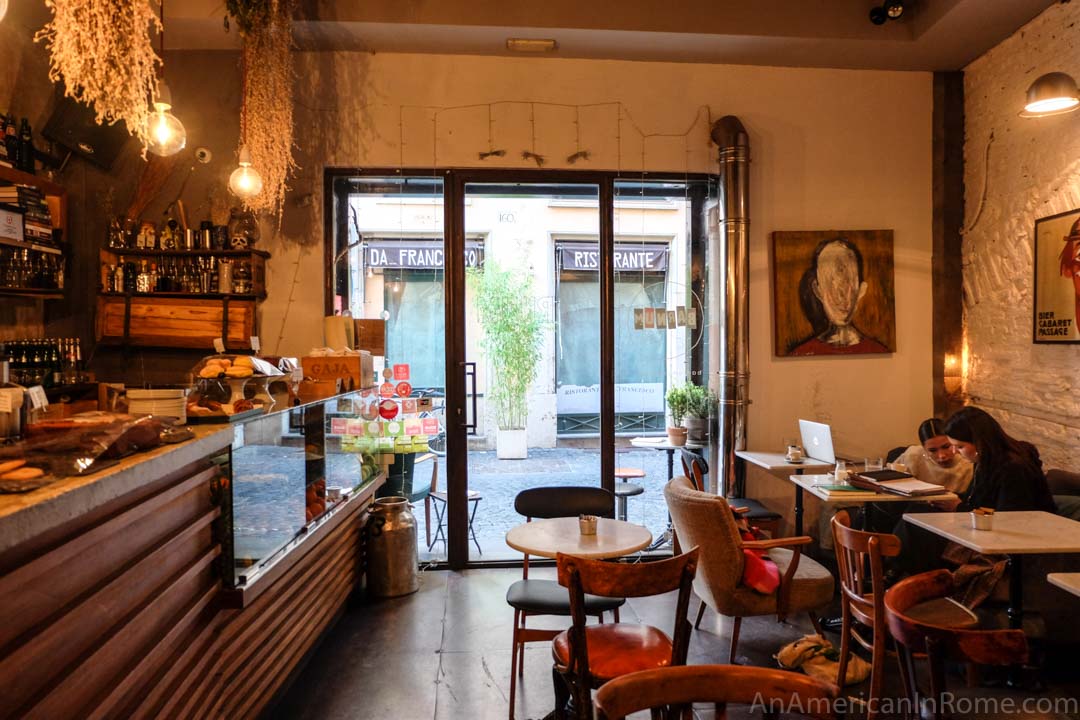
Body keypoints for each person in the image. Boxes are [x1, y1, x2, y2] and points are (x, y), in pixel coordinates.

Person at [943, 406, 1056, 514]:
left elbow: (1006, 516)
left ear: (979, 442)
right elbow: (976, 501)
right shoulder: (983, 459)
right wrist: (948, 497)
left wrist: (959, 507)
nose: (954, 452)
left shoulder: (1013, 468)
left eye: (960, 447)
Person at [790, 237, 889, 355]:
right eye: (830, 281)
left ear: (861, 290)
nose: (840, 296)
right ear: (818, 291)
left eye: (847, 281)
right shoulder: (801, 354)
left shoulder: (878, 351)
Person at [896, 417, 973, 495]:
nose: (941, 455)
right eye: (932, 450)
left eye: (946, 447)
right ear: (924, 449)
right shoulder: (913, 456)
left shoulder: (968, 461)